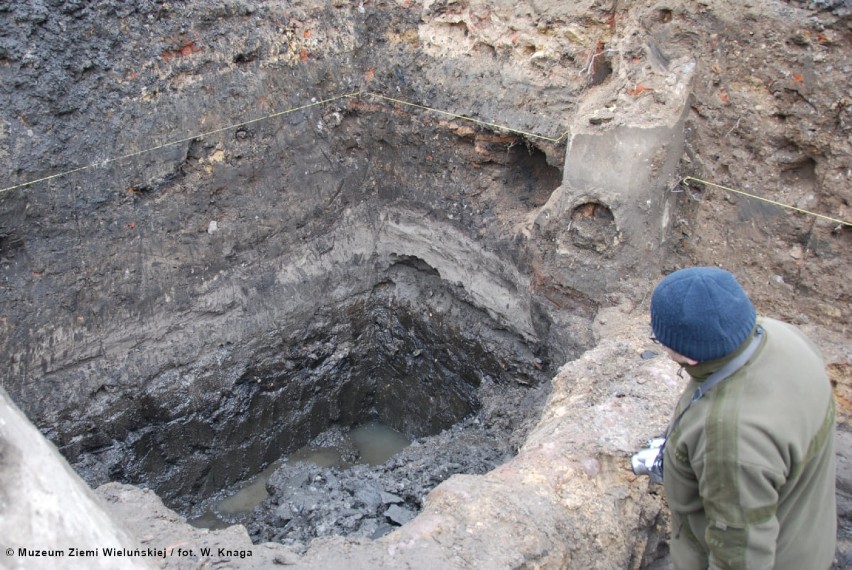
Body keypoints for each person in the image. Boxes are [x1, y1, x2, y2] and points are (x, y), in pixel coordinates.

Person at [649, 266, 836, 570]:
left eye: (660, 339)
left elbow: (741, 557)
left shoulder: (729, 442)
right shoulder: (783, 336)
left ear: (690, 357)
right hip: (808, 536)